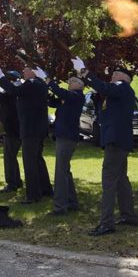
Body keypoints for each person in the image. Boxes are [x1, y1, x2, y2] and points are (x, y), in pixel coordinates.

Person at [74, 57, 138, 236]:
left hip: (116, 140)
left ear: (123, 77)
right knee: (120, 180)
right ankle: (128, 215)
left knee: (108, 181)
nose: (112, 77)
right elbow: (104, 112)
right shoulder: (120, 92)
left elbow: (105, 87)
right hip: (119, 140)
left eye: (115, 74)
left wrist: (84, 72)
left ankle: (107, 223)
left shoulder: (121, 87)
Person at [0, 66, 53, 204]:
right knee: (37, 160)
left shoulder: (32, 84)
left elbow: (14, 91)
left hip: (30, 129)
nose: (24, 72)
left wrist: (0, 78)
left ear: (33, 72)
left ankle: (33, 195)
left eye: (27, 70)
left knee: (30, 162)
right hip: (37, 129)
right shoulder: (40, 84)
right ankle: (45, 189)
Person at [47, 75, 85, 215]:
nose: (69, 82)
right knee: (65, 171)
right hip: (63, 136)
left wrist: (50, 82)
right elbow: (53, 102)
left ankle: (60, 207)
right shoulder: (69, 97)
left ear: (80, 85)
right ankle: (71, 201)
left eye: (73, 81)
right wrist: (47, 90)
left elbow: (62, 93)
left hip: (67, 137)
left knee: (60, 172)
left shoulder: (76, 96)